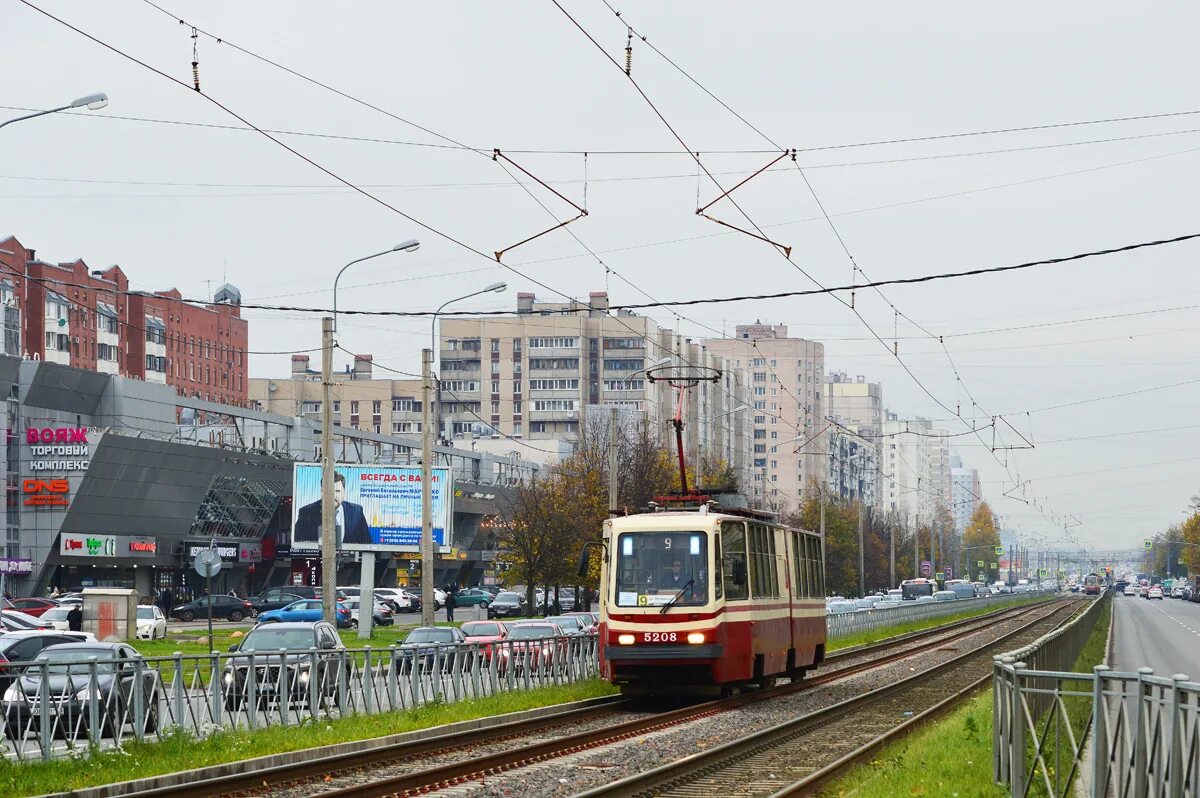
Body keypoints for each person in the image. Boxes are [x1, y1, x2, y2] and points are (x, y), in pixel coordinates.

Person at [292, 471, 372, 545]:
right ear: (322, 491)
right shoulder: (306, 512)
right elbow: (298, 543)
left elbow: (367, 543)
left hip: (348, 560)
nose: (333, 495)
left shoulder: (356, 511)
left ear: (344, 492)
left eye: (337, 491)